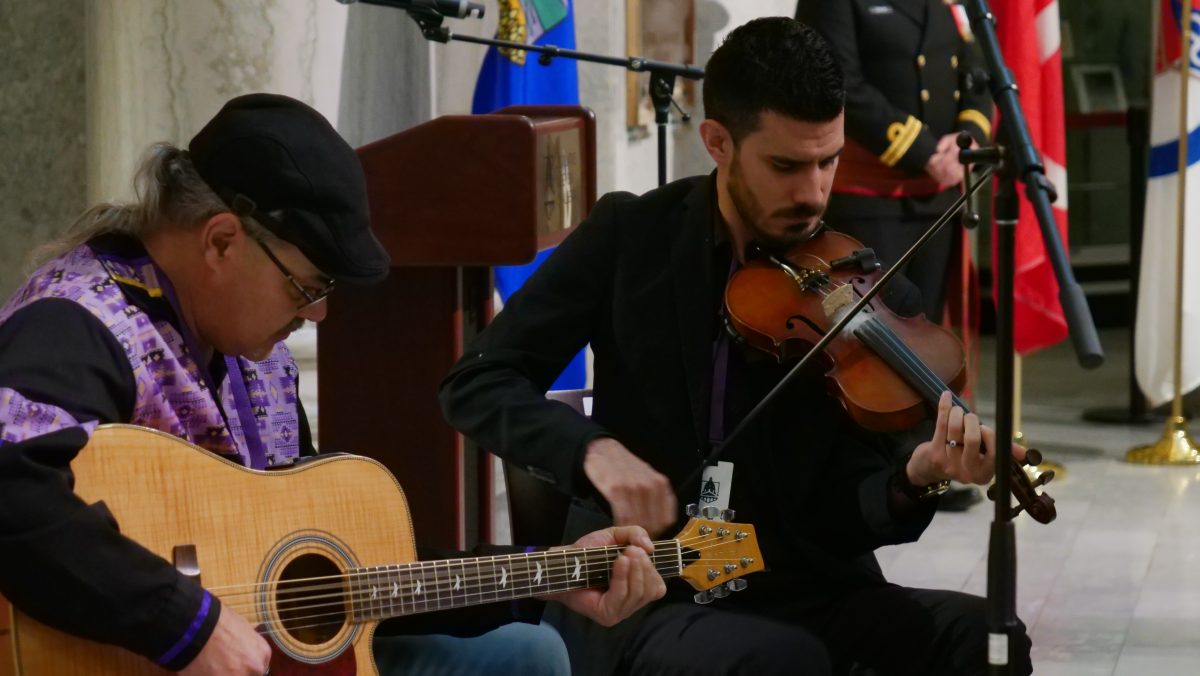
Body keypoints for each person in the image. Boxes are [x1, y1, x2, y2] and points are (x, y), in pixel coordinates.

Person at [439, 18, 1032, 676]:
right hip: (652, 591)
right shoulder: (630, 237)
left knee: (984, 640)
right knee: (778, 661)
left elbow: (850, 514)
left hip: (805, 586)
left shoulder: (867, 289)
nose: (813, 192)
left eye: (828, 161)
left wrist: (913, 480)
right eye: (785, 165)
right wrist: (593, 451)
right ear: (718, 142)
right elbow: (478, 380)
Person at [0, 93, 664, 675]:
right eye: (306, 287)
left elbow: (335, 575)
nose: (317, 316)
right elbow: (12, 487)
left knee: (527, 654)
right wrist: (186, 624)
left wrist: (544, 575)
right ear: (221, 241)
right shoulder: (80, 323)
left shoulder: (251, 351)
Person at [796, 0, 995, 513]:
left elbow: (978, 74)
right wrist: (921, 150)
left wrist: (967, 138)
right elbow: (838, 80)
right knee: (873, 342)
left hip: (937, 193)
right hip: (870, 193)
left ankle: (926, 463)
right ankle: (873, 470)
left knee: (926, 331)